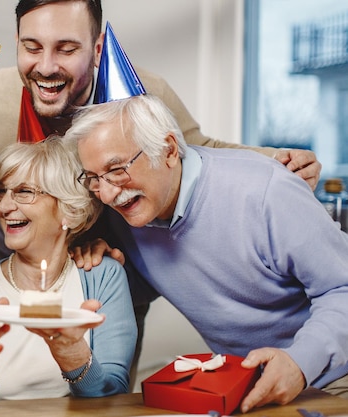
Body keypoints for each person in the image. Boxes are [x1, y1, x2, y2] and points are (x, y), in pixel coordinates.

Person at [63, 93, 348, 413]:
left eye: (117, 169)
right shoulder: (126, 211)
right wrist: (111, 267)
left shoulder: (267, 191)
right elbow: (162, 284)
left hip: (334, 377)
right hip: (242, 385)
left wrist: (300, 363)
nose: (108, 193)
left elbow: (343, 289)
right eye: (94, 178)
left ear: (168, 150)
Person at [0, 137, 136, 405]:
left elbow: (114, 399)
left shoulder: (103, 277)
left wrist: (73, 355)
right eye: (0, 192)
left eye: (24, 191)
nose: (3, 207)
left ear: (68, 210)